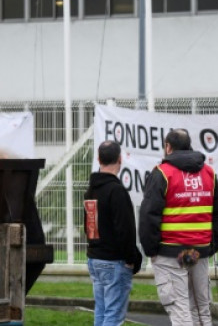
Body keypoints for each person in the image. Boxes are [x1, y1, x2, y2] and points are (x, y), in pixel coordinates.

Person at [139, 128, 218, 326]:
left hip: (170, 252)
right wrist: (210, 246)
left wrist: (151, 250)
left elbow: (149, 215)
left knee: (179, 309)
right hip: (200, 252)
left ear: (168, 147)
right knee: (201, 309)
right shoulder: (208, 172)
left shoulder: (162, 173)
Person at [84, 140, 143, 326]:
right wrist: (132, 258)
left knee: (101, 312)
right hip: (114, 261)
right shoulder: (116, 191)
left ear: (98, 159)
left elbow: (89, 227)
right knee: (113, 315)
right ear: (120, 159)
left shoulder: (91, 191)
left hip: (95, 258)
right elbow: (125, 230)